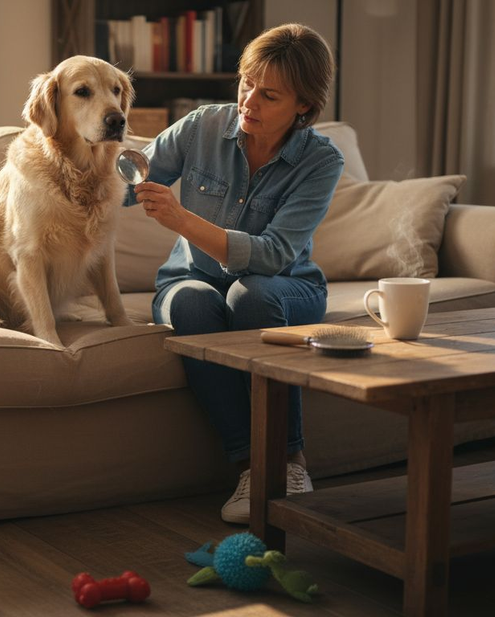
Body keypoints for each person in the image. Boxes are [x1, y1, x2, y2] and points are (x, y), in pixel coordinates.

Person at [128, 23, 344, 524]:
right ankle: (251, 467)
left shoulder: (321, 162)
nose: (249, 100)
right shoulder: (202, 126)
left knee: (251, 295)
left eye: (268, 95)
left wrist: (181, 218)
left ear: (304, 107)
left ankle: (290, 460)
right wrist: (90, 157)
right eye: (246, 83)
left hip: (288, 288)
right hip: (191, 278)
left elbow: (272, 256)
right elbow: (130, 179)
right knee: (192, 302)